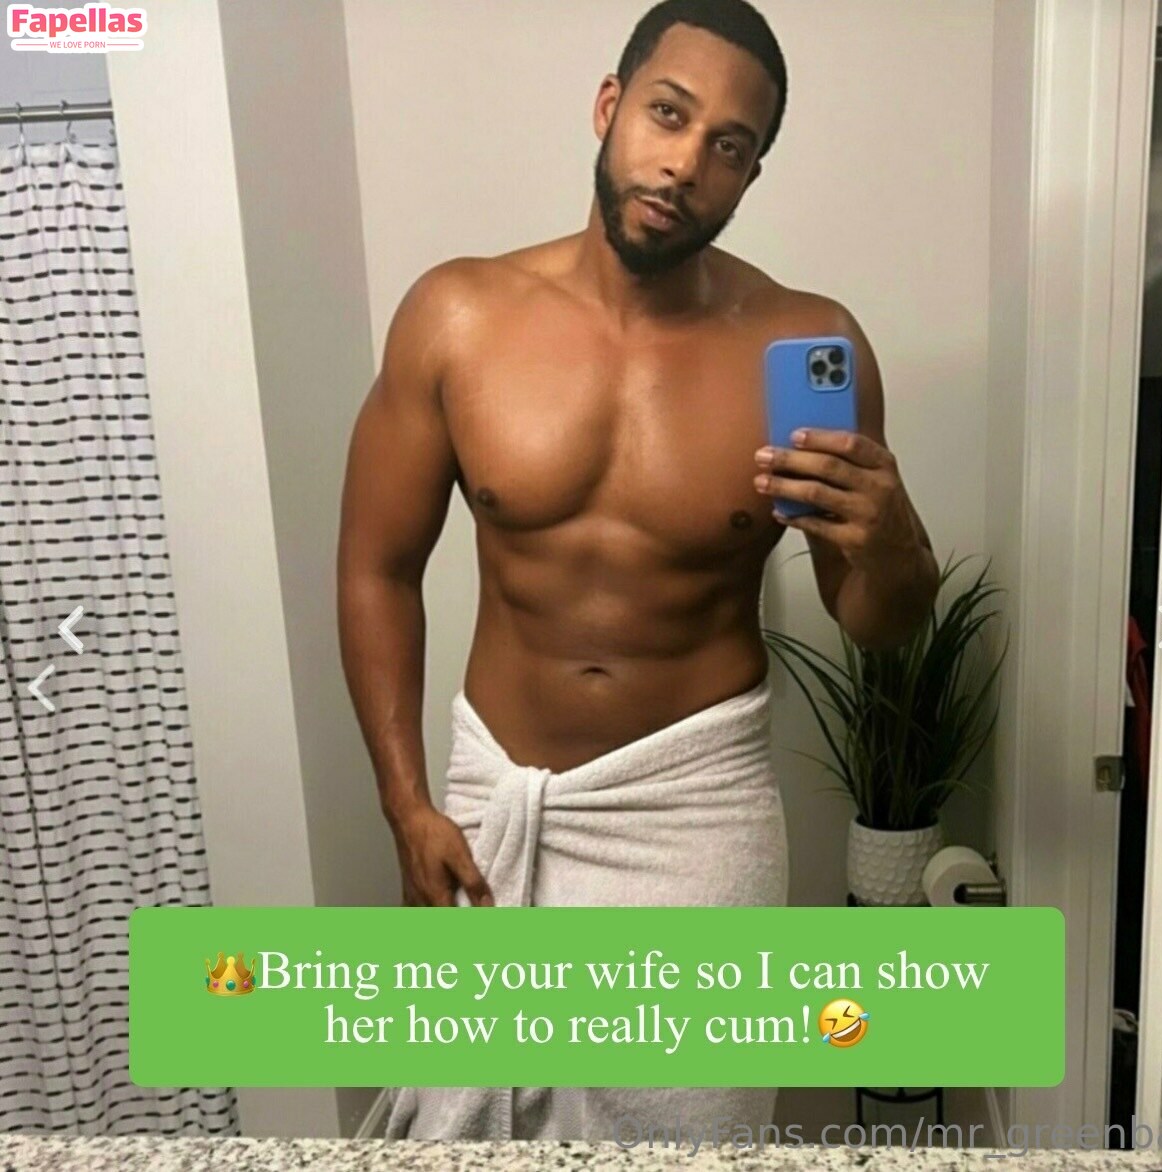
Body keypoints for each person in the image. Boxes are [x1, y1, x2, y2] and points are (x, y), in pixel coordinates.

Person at [337, 0, 938, 1143]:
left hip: (695, 812)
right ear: (610, 107)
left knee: (691, 1135)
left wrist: (894, 538)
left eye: (729, 145)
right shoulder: (458, 315)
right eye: (669, 114)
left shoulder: (804, 343)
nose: (686, 162)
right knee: (463, 1132)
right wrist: (405, 801)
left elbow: (876, 622)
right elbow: (377, 566)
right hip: (496, 794)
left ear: (751, 175)